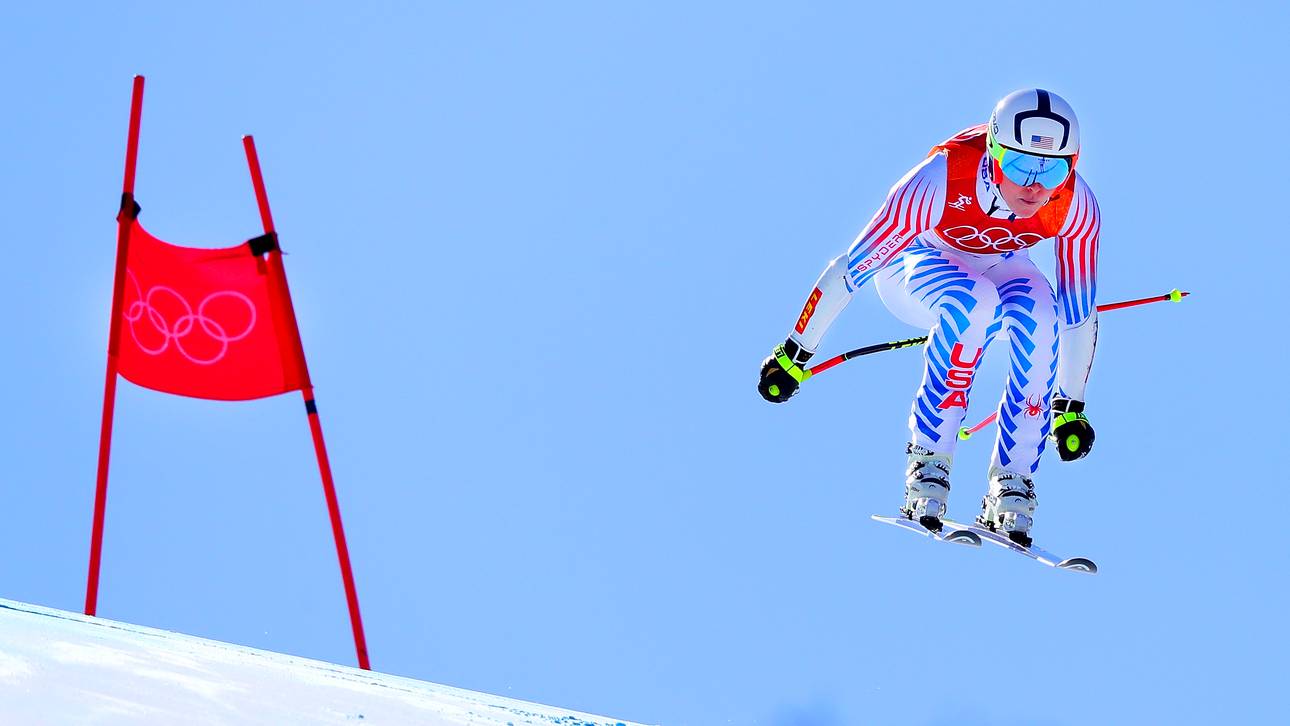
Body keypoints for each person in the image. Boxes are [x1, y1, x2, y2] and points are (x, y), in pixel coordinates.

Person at [757, 89, 1099, 547]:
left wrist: (1070, 406)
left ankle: (1013, 485)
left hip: (1001, 260)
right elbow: (852, 268)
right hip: (919, 262)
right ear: (995, 154)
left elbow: (1079, 316)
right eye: (1019, 166)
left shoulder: (1074, 204)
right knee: (972, 304)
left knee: (1041, 312)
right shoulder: (942, 177)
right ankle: (929, 465)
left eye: (1053, 169)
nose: (1034, 187)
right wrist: (794, 352)